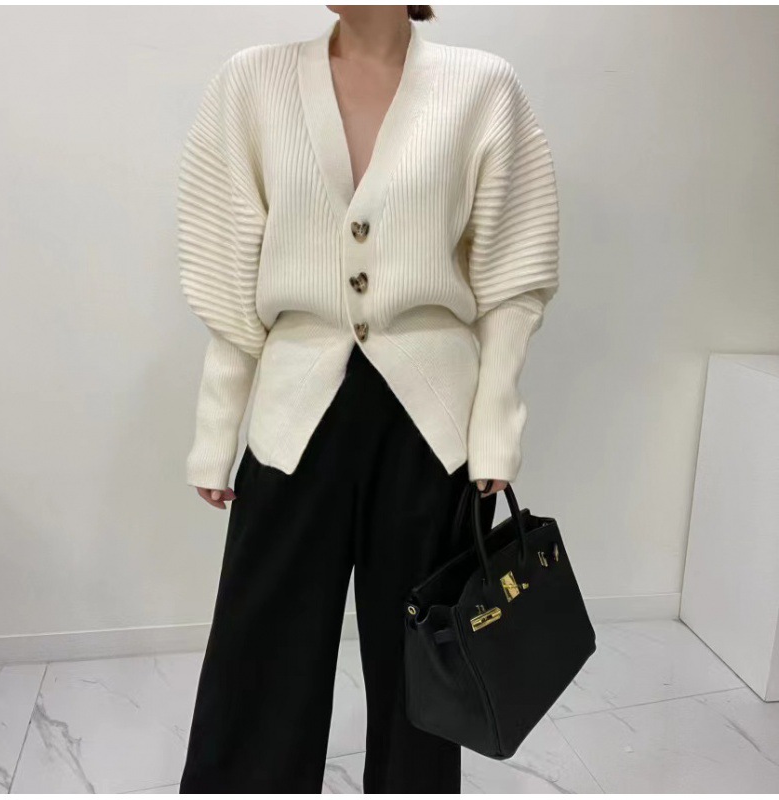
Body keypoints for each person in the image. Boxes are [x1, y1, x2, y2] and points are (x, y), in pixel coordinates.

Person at [176, 4, 559, 793]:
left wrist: (494, 429)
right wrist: (216, 434)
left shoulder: (482, 87)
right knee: (260, 658)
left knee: (421, 677)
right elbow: (227, 273)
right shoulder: (252, 82)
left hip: (430, 428)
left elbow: (511, 278)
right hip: (293, 420)